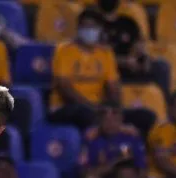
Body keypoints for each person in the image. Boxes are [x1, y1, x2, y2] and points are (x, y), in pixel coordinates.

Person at [49, 8, 154, 136]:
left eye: (93, 27)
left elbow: (113, 87)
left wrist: (116, 113)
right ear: (78, 29)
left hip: (99, 109)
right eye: (85, 26)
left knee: (146, 116)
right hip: (67, 108)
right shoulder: (64, 50)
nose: (89, 30)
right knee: (85, 113)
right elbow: (64, 87)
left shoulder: (105, 53)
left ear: (99, 30)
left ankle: (130, 144)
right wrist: (91, 107)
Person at [96, 0, 169, 94]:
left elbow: (139, 44)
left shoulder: (128, 22)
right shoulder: (94, 24)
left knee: (161, 65)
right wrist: (124, 61)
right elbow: (95, 54)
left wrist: (143, 58)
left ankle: (161, 100)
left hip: (132, 66)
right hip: (111, 69)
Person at [80, 103, 147, 178]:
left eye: (115, 120)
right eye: (106, 120)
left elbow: (142, 169)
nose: (110, 124)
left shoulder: (131, 136)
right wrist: (114, 164)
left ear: (121, 120)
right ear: (99, 121)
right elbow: (85, 173)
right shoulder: (90, 137)